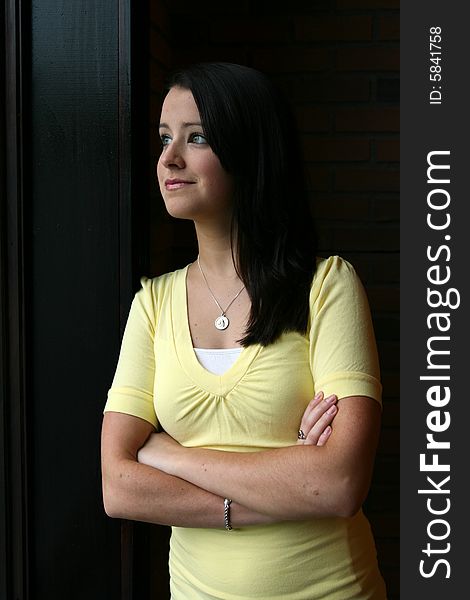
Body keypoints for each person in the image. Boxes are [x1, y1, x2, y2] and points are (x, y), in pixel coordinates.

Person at [101, 62, 387, 599]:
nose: (169, 158)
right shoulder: (154, 304)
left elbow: (338, 483)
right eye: (164, 138)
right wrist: (282, 485)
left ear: (249, 151)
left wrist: (169, 454)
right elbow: (118, 487)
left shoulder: (326, 286)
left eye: (197, 137)